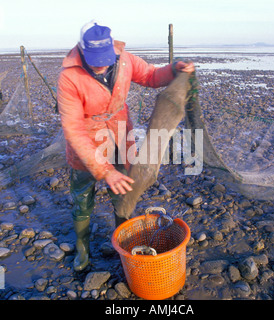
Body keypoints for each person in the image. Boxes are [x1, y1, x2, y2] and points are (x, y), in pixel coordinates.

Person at [57, 20, 194, 271]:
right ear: (82, 51)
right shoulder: (69, 77)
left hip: (121, 137)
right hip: (86, 145)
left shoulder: (125, 60)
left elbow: (152, 75)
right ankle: (83, 251)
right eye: (95, 59)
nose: (102, 64)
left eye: (106, 58)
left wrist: (175, 69)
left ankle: (125, 244)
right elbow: (74, 131)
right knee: (82, 200)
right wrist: (103, 170)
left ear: (113, 50)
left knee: (123, 195)